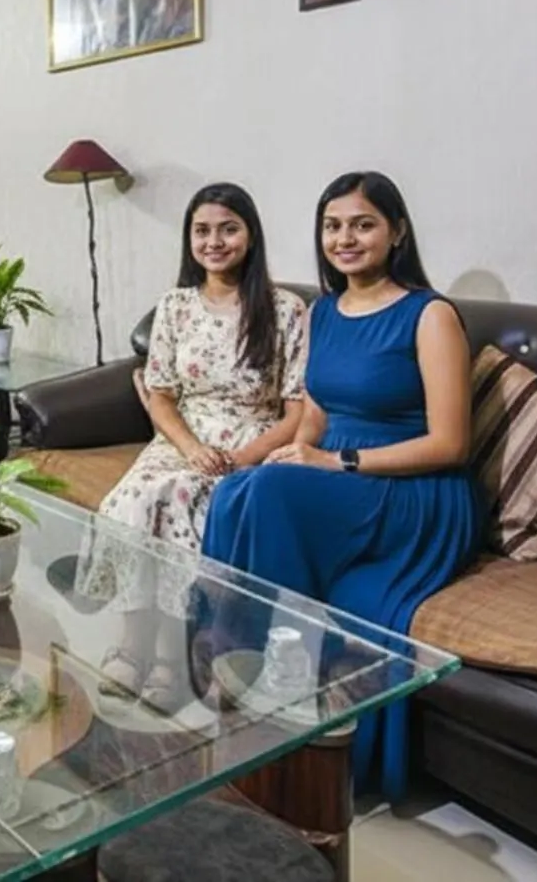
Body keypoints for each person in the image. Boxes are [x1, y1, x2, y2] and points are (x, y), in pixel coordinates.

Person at [200, 171, 478, 800]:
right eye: (333, 226)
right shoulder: (325, 312)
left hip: (415, 487)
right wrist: (280, 451)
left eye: (362, 224)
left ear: (397, 231)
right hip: (343, 472)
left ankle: (270, 685)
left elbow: (451, 443)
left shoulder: (430, 316)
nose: (345, 238)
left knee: (270, 497)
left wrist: (338, 462)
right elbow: (316, 415)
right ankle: (229, 670)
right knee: (237, 490)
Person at [76, 182, 308, 707]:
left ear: (250, 235)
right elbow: (159, 395)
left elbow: (296, 410)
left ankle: (167, 658)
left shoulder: (286, 309)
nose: (214, 242)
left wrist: (243, 458)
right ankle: (131, 644)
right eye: (202, 231)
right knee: (128, 502)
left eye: (228, 229)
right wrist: (188, 447)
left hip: (251, 441)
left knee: (180, 498)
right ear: (190, 240)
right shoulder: (175, 306)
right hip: (183, 436)